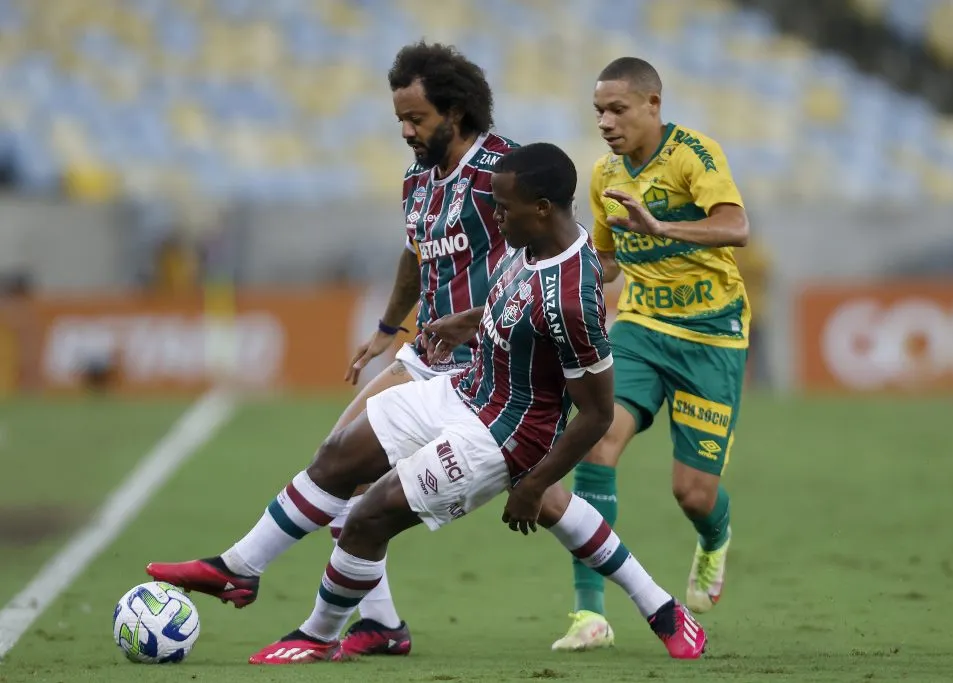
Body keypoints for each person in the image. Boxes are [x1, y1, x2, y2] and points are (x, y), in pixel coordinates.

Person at [146, 143, 708, 664]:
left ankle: (318, 635)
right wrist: (465, 322)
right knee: (338, 457)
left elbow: (597, 414)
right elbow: (511, 303)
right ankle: (240, 569)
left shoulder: (572, 300)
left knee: (368, 520)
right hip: (464, 389)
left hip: (501, 436)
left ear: (540, 208)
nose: (497, 218)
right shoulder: (539, 239)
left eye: (504, 208)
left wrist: (532, 485)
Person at [149, 42, 518, 658]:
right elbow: (416, 251)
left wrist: (492, 318)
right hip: (424, 355)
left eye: (417, 119)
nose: (405, 130)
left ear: (457, 112)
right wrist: (386, 324)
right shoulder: (419, 178)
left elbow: (546, 251)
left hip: (483, 364)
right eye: (399, 118)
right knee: (338, 466)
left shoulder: (501, 174)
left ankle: (252, 573)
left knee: (550, 502)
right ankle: (379, 624)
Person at [551, 57, 751, 652]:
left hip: (711, 335)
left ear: (652, 106)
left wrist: (661, 227)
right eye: (598, 112)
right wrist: (571, 274)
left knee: (693, 493)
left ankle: (714, 540)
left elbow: (737, 226)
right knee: (597, 439)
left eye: (617, 109)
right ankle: (589, 615)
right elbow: (610, 259)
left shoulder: (694, 155)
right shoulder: (603, 174)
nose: (606, 122)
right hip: (640, 326)